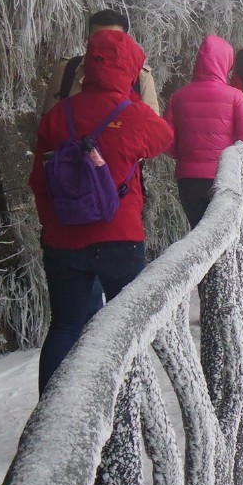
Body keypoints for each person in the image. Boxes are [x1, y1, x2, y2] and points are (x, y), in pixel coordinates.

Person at [30, 28, 173, 389]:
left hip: (63, 241)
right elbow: (165, 138)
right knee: (130, 326)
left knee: (65, 326)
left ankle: (49, 413)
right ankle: (127, 408)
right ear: (129, 70)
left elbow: (38, 180)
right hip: (119, 238)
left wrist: (55, 227)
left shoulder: (57, 115)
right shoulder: (134, 114)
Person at [167, 34, 243, 228]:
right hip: (223, 177)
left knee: (199, 233)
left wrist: (186, 156)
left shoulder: (178, 97)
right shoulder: (235, 96)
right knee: (223, 236)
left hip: (188, 179)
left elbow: (165, 140)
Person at [55, 8, 155, 104]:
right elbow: (51, 117)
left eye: (114, 39)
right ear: (88, 39)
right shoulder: (67, 70)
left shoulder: (141, 77)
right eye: (99, 38)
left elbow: (150, 119)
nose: (106, 44)